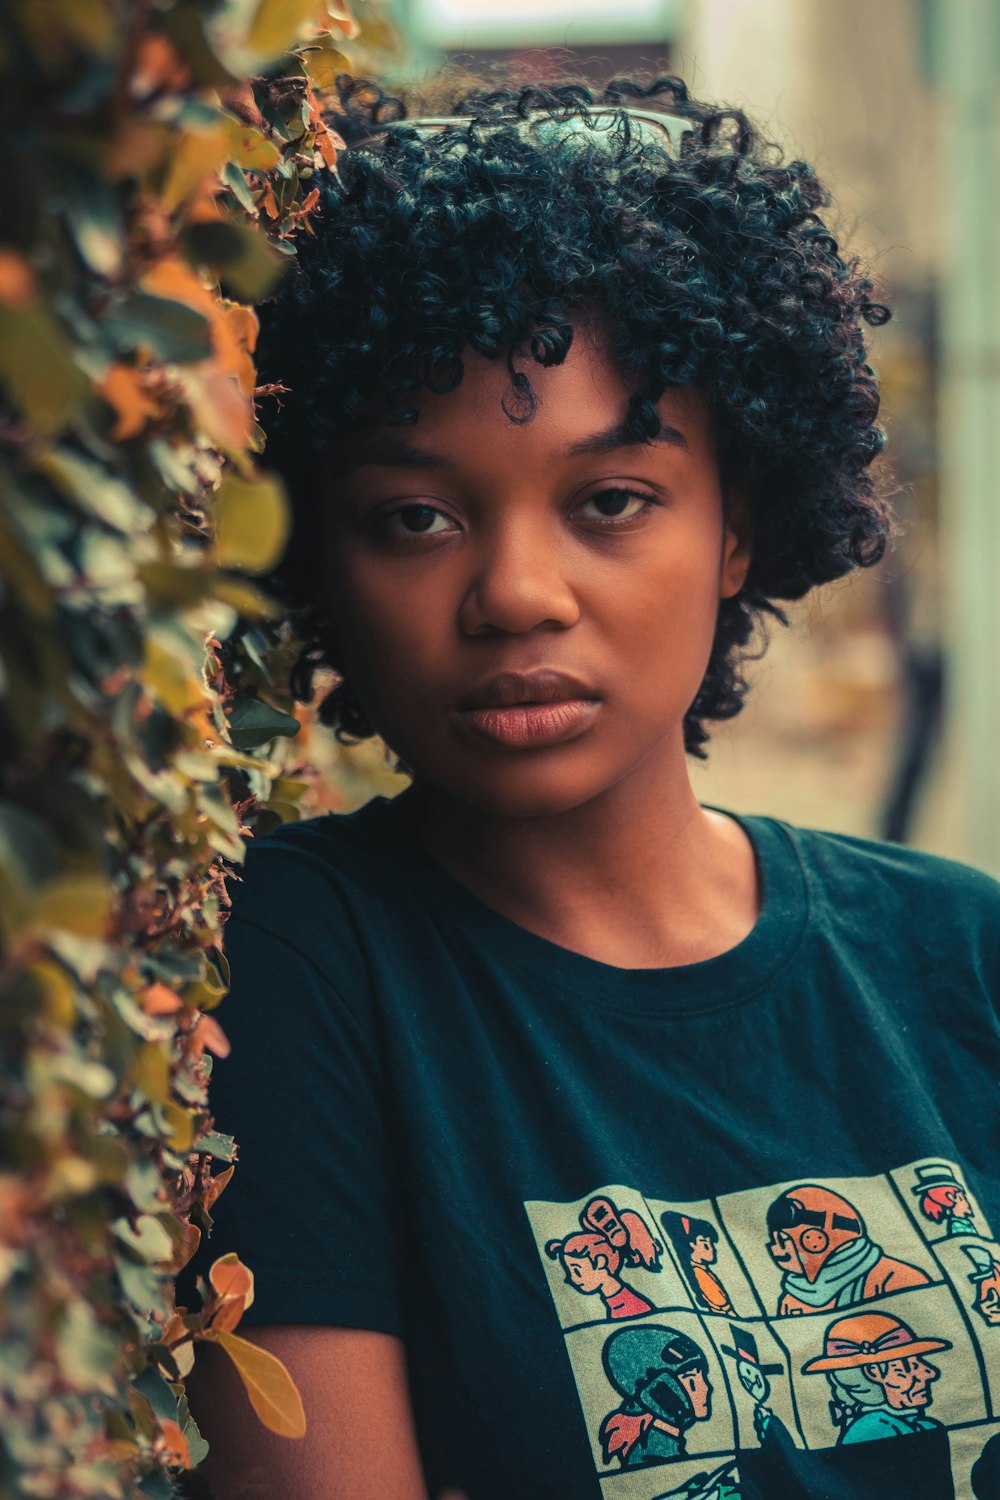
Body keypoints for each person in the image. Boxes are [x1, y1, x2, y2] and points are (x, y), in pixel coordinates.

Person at [182, 70, 1000, 1500]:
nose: (515, 593)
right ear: (321, 554)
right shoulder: (297, 968)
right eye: (414, 516)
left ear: (739, 529)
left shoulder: (963, 953)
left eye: (610, 499)